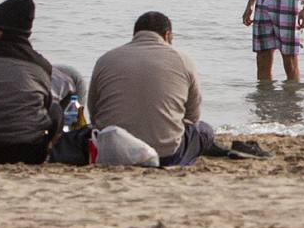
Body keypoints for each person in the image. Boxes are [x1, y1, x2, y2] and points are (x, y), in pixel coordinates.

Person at [89, 11, 229, 167]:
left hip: (113, 152)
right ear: (167, 35)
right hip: (166, 155)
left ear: (135, 34)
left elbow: (94, 113)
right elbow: (193, 117)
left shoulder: (106, 59)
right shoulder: (184, 61)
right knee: (204, 131)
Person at [0, 0, 72, 165]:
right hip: (28, 152)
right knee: (55, 108)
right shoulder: (42, 65)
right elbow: (45, 106)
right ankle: (50, 150)